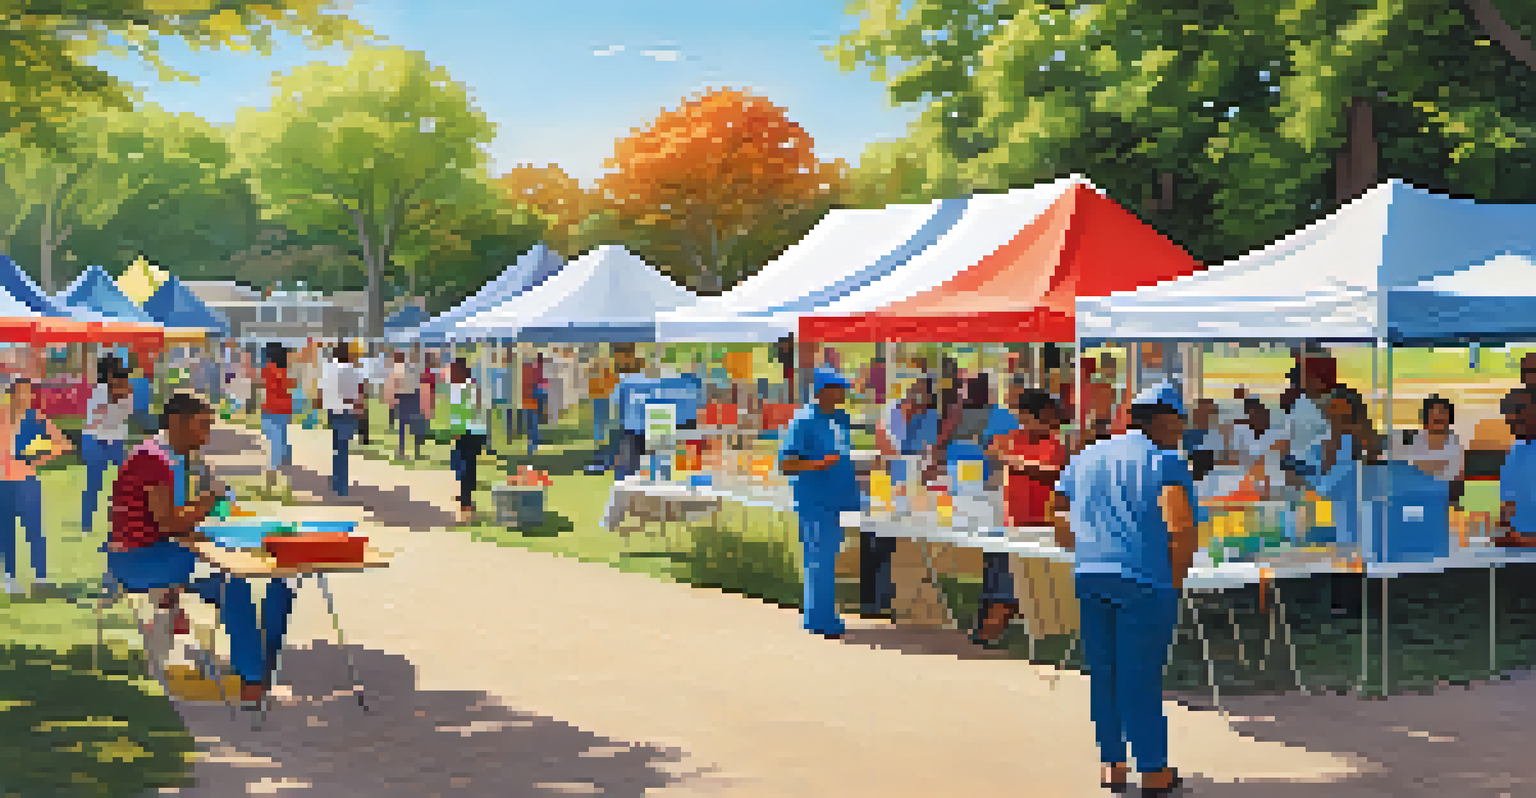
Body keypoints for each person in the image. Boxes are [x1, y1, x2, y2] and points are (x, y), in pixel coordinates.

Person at [106, 392, 295, 705]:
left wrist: (202, 517)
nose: (206, 435)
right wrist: (210, 499)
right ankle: (253, 678)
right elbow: (169, 523)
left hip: (149, 555)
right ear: (178, 422)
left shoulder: (162, 456)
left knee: (267, 583)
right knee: (234, 585)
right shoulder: (153, 460)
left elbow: (171, 520)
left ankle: (256, 668)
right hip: (139, 561)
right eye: (202, 426)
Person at [1055, 381, 1193, 794]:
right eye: (1179, 419)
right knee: (1141, 676)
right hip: (1144, 579)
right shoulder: (1165, 462)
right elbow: (1180, 527)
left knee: (1105, 673)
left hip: (1091, 574)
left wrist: (1092, 545)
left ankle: (1112, 764)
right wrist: (1175, 580)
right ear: (1163, 421)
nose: (1182, 428)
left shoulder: (1086, 457)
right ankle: (1152, 769)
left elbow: (1058, 515)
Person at [979, 388, 1066, 647]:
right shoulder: (1013, 437)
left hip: (1041, 523)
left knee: (1013, 573)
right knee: (996, 566)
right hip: (1011, 519)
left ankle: (996, 624)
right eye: (1045, 417)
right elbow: (992, 449)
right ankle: (992, 617)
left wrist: (1014, 461)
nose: (1052, 422)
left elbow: (1051, 468)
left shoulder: (1053, 442)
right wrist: (1013, 459)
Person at [779, 367, 860, 639]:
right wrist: (817, 464)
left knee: (828, 556)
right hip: (814, 499)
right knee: (819, 558)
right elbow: (786, 464)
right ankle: (821, 620)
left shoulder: (840, 418)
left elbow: (843, 454)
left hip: (840, 497)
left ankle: (820, 617)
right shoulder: (803, 421)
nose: (842, 393)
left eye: (843, 388)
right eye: (837, 388)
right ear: (821, 391)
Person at [866, 379, 938, 617]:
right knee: (879, 540)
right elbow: (885, 450)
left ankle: (894, 600)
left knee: (903, 543)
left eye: (922, 394)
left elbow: (931, 453)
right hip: (889, 486)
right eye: (913, 393)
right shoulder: (891, 414)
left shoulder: (930, 418)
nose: (917, 399)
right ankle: (877, 602)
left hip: (916, 489)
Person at [0, 378, 72, 595]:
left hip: (28, 483)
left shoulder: (36, 419)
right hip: (3, 483)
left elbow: (64, 444)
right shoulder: (2, 416)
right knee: (6, 532)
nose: (25, 398)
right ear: (11, 394)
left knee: (34, 531)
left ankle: (41, 577)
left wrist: (38, 457)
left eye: (29, 394)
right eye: (21, 393)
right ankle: (10, 578)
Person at [81, 356, 135, 534]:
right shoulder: (99, 392)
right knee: (94, 482)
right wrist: (120, 397)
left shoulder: (126, 392)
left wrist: (124, 396)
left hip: (115, 439)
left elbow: (125, 415)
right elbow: (105, 418)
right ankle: (86, 522)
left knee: (125, 481)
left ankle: (123, 520)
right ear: (109, 374)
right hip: (94, 438)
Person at [317, 344, 363, 497]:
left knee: (337, 447)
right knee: (343, 448)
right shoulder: (351, 370)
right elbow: (357, 392)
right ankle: (341, 486)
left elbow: (320, 391)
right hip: (346, 410)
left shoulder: (328, 369)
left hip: (332, 411)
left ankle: (336, 481)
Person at [447, 358, 487, 524]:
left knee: (464, 466)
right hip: (478, 431)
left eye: (453, 371)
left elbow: (459, 413)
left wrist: (456, 433)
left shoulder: (459, 388)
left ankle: (466, 502)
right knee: (470, 466)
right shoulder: (473, 385)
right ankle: (466, 497)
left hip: (466, 432)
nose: (450, 375)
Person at [1401, 394, 1465, 486]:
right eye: (1435, 412)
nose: (1439, 415)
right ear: (1426, 417)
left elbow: (1455, 477)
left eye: (1442, 412)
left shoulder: (1455, 444)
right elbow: (1406, 471)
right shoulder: (1413, 441)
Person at [1499, 387, 1536, 539]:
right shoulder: (1516, 451)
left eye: (1518, 411)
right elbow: (1508, 504)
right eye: (1508, 414)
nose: (1511, 419)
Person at [260, 343, 294, 491]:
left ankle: (273, 470)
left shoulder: (267, 370)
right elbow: (291, 387)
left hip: (270, 408)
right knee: (281, 438)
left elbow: (262, 383)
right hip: (284, 409)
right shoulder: (286, 373)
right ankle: (282, 466)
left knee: (274, 439)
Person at [388, 350, 425, 461]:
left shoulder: (395, 370)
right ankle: (417, 451)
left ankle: (401, 451)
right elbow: (418, 385)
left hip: (403, 398)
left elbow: (393, 386)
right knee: (415, 425)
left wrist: (392, 402)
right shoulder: (411, 368)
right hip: (414, 397)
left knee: (402, 427)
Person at [520, 353, 548, 455]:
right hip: (532, 400)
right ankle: (533, 445)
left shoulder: (529, 371)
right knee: (533, 423)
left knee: (532, 423)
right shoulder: (534, 370)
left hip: (530, 400)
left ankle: (533, 444)